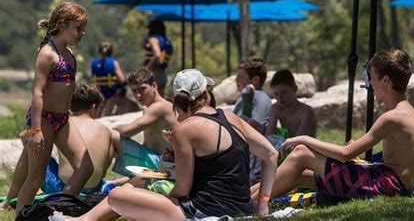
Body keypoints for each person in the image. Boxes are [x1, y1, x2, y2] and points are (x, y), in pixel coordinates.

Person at [55, 69, 278, 220]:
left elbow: (182, 189)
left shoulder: (186, 128)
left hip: (200, 212)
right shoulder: (230, 117)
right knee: (135, 189)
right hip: (242, 209)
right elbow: (270, 154)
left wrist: (157, 195)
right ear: (205, 93)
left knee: (117, 195)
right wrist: (263, 203)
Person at [251, 48, 414, 204]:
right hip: (391, 181)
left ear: (385, 80)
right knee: (301, 173)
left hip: (386, 185)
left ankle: (249, 203)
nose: (370, 84)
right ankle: (244, 197)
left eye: (372, 77)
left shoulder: (392, 117)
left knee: (301, 154)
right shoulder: (407, 111)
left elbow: (345, 155)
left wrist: (304, 139)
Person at [15, 0, 94, 215]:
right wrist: (35, 129)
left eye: (83, 29)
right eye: (78, 28)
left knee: (86, 167)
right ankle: (21, 216)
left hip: (63, 119)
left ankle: (60, 209)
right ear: (62, 24)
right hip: (45, 120)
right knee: (35, 177)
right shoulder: (48, 54)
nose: (82, 33)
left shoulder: (68, 54)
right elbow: (37, 92)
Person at [0, 84, 128, 211]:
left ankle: (8, 200)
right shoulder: (106, 131)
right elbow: (103, 170)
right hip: (93, 189)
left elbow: (25, 137)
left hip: (61, 188)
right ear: (94, 107)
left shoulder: (63, 123)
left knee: (30, 146)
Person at [111, 68, 178, 176]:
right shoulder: (151, 109)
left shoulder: (159, 107)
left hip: (165, 164)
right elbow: (146, 145)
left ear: (154, 86)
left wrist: (117, 128)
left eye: (142, 89)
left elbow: (127, 131)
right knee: (118, 185)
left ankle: (95, 182)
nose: (138, 95)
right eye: (134, 91)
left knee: (112, 136)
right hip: (159, 161)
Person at [265, 69, 315, 138]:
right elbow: (269, 135)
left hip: (304, 147)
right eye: (276, 94)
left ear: (295, 89)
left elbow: (300, 140)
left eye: (283, 93)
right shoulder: (276, 109)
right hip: (288, 145)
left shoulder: (306, 112)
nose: (280, 97)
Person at [233, 56, 272, 133]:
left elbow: (254, 128)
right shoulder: (241, 98)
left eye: (240, 77)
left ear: (255, 80)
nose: (236, 79)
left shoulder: (261, 98)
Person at [90, 41, 125, 116]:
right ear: (111, 51)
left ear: (99, 51)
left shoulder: (93, 62)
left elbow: (92, 78)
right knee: (107, 114)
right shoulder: (114, 63)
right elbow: (122, 79)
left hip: (98, 92)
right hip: (111, 92)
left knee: (97, 114)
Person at [142, 19, 173, 96]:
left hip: (153, 75)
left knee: (151, 102)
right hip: (162, 74)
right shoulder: (166, 41)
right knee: (161, 101)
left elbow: (157, 54)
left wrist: (147, 69)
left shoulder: (153, 39)